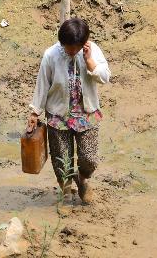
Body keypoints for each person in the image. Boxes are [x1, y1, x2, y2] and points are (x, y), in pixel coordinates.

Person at [26, 17, 110, 205]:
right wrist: (34, 112)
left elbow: (105, 77)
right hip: (58, 116)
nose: (72, 51)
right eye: (68, 48)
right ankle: (65, 192)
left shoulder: (92, 51)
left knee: (89, 158)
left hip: (86, 114)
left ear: (83, 43)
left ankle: (82, 179)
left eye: (76, 48)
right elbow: (42, 83)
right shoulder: (51, 55)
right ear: (61, 43)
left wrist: (90, 63)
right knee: (62, 160)